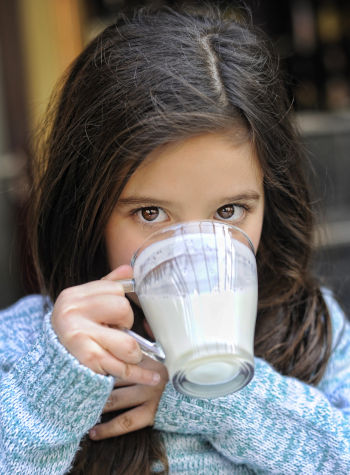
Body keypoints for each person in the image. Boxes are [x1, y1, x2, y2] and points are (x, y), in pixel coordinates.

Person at [0, 5, 349, 474]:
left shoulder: (313, 331)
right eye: (150, 213)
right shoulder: (23, 351)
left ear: (272, 198)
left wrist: (225, 400)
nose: (194, 260)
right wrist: (52, 393)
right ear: (86, 208)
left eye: (229, 212)